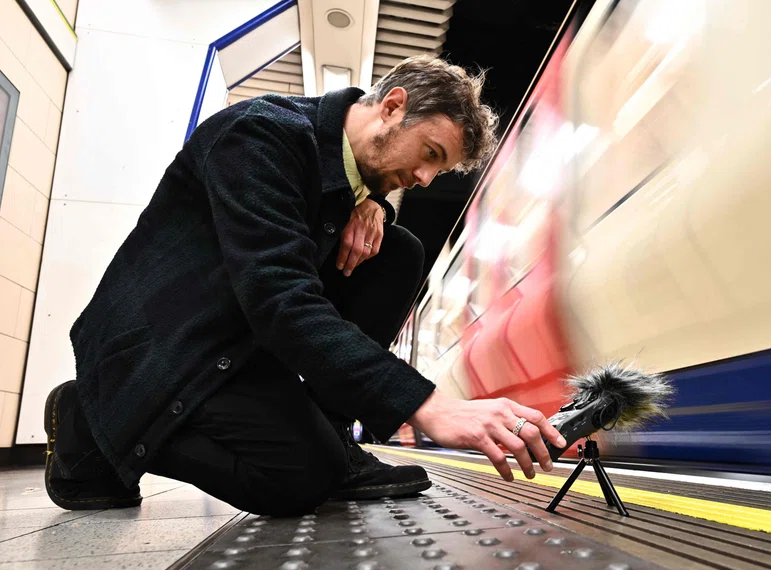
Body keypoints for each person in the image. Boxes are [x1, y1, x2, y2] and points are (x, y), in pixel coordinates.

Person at [42, 56, 565, 517]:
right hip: (164, 345)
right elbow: (280, 298)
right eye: (429, 153)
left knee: (398, 253)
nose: (427, 178)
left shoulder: (341, 171)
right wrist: (429, 406)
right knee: (299, 481)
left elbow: (311, 210)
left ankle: (336, 441)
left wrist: (371, 203)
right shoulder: (258, 136)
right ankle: (88, 416)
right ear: (392, 107)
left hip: (231, 341)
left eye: (439, 169)